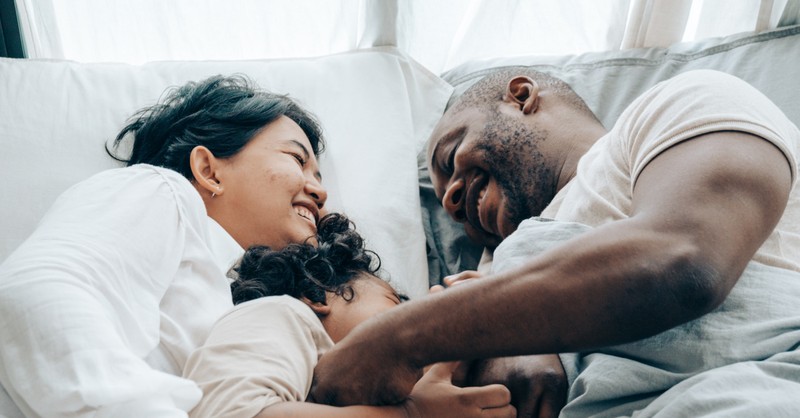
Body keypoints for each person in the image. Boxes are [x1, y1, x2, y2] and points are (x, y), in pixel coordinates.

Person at [309, 67, 800, 417]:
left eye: (450, 155)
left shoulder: (681, 104)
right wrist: (515, 335)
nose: (454, 199)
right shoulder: (495, 271)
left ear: (521, 96)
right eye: (449, 209)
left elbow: (683, 260)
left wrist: (400, 339)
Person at [0, 75, 330, 417]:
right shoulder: (161, 192)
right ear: (208, 171)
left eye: (320, 178)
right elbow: (36, 293)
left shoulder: (244, 300)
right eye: (296, 159)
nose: (321, 193)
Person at [183, 212, 516, 418]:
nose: (411, 319)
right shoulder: (282, 315)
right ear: (316, 294)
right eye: (397, 305)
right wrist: (412, 413)